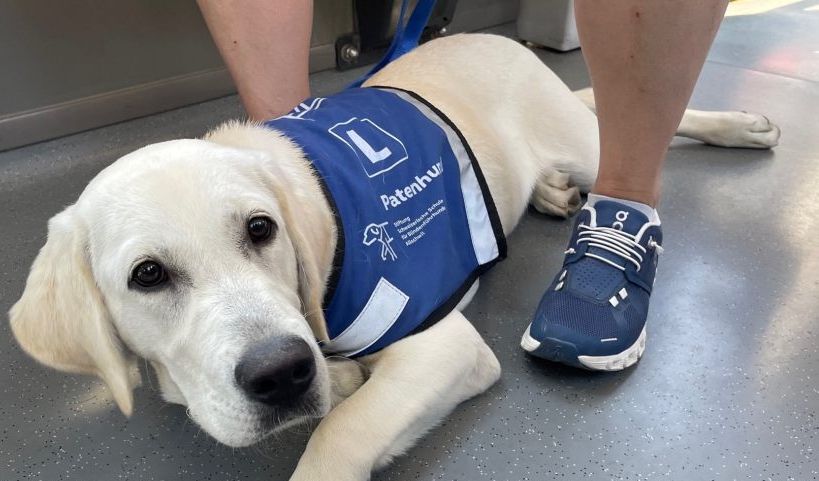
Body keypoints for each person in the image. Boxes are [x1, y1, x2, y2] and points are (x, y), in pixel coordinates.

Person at [195, 0, 727, 370]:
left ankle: (627, 192)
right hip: (451, 94)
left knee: (589, 147)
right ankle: (292, 141)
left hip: (497, 79)